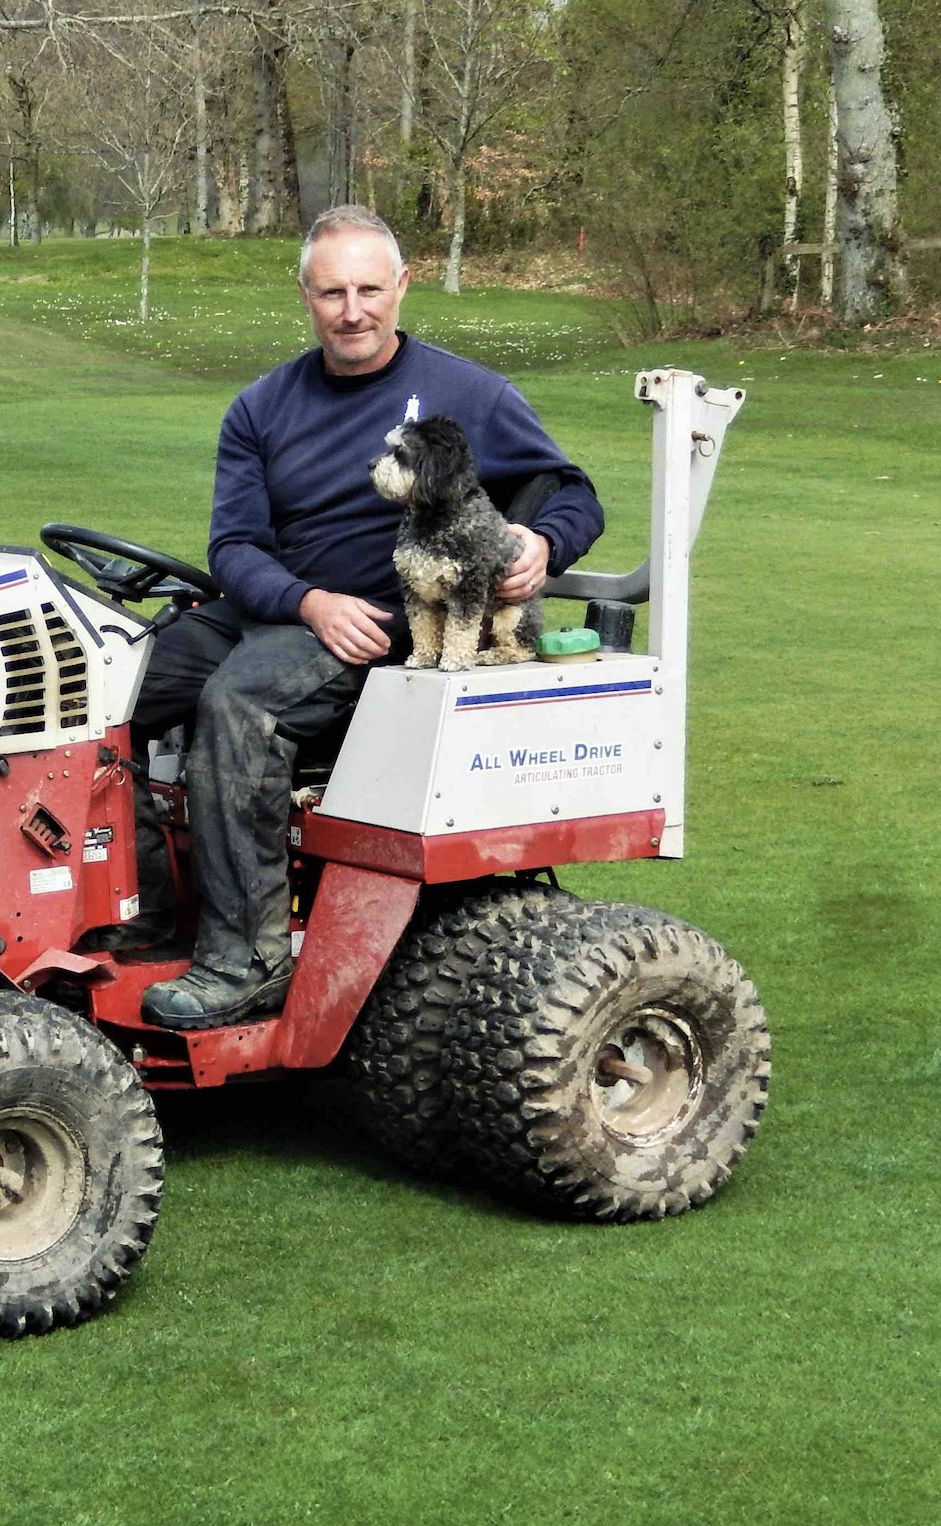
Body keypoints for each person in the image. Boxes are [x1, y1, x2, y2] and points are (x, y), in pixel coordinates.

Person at [110, 205, 606, 1031]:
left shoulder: (469, 395)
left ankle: (246, 962)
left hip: (383, 627)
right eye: (333, 291)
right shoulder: (260, 407)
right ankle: (141, 908)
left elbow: (574, 492)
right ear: (304, 295)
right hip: (281, 608)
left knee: (240, 705)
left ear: (403, 286)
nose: (353, 310)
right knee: (92, 689)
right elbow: (233, 545)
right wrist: (306, 600)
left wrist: (543, 544)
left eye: (370, 289)